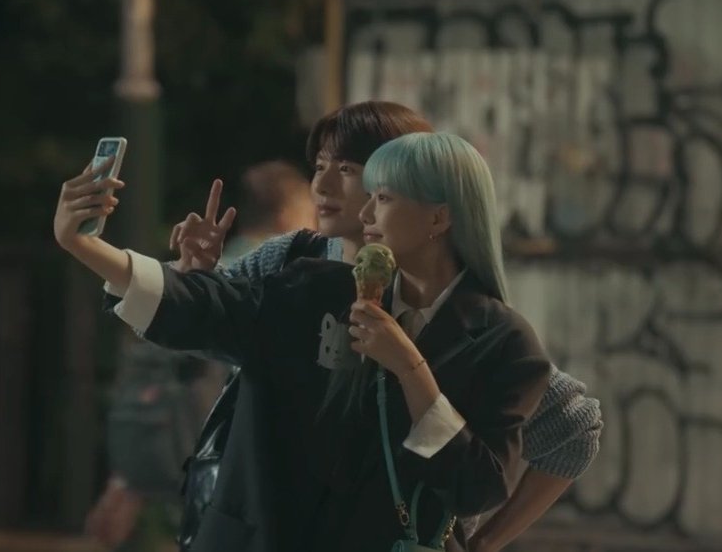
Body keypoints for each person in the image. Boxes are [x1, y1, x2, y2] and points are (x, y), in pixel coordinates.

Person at [54, 131, 557, 551]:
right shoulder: (321, 287)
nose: (365, 213)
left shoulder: (504, 342)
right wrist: (86, 246)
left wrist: (410, 368)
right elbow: (211, 309)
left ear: (438, 218)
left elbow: (477, 487)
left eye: (384, 198)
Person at [169, 102, 601, 551]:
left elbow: (573, 431)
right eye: (319, 165)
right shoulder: (292, 259)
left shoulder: (453, 312)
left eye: (348, 169)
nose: (322, 185)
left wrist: (485, 543)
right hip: (265, 524)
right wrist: (195, 276)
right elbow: (206, 332)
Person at [84, 160, 315, 550]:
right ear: (287, 214)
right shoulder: (280, 273)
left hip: (181, 436)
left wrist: (127, 472)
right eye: (309, 210)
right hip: (231, 447)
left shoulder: (214, 261)